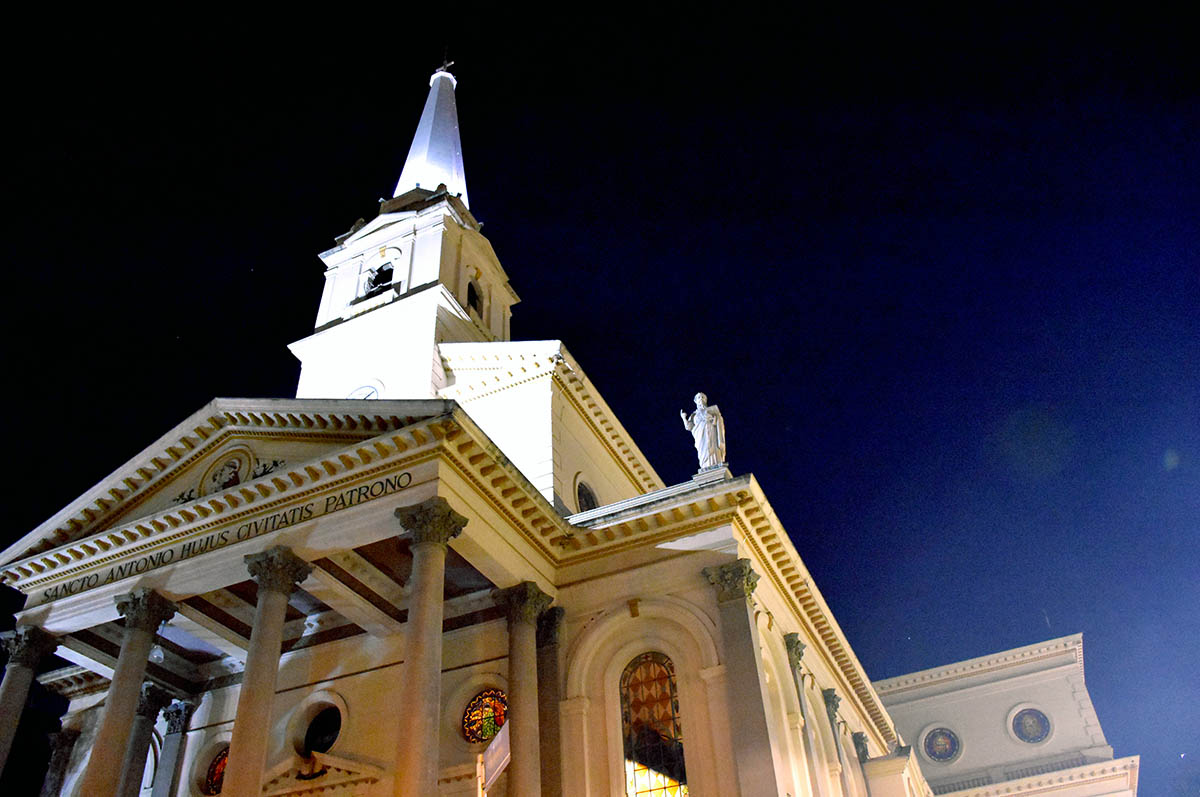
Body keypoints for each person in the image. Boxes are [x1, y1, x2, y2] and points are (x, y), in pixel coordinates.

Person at [680, 393, 726, 470]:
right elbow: (689, 427)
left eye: (702, 397)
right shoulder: (694, 415)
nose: (701, 398)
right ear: (695, 401)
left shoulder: (712, 410)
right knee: (703, 451)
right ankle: (705, 466)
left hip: (711, 432)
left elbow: (718, 420)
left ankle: (716, 464)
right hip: (700, 435)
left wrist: (713, 418)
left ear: (705, 400)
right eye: (698, 397)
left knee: (713, 448)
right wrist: (684, 418)